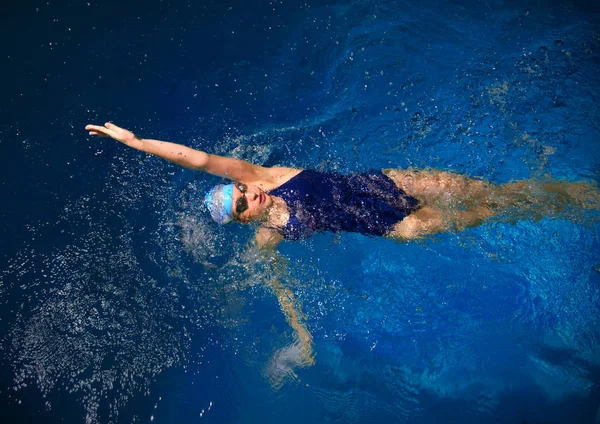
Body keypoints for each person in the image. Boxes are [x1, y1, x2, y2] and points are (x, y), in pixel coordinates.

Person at [85, 122, 599, 378]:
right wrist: (301, 338)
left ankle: (579, 193)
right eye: (241, 201)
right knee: (498, 210)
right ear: (242, 220)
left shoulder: (262, 174)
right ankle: (564, 206)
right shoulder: (270, 237)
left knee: (486, 190)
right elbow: (280, 288)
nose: (248, 192)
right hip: (394, 227)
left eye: (240, 188)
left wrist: (136, 143)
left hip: (385, 182)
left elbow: (195, 159)